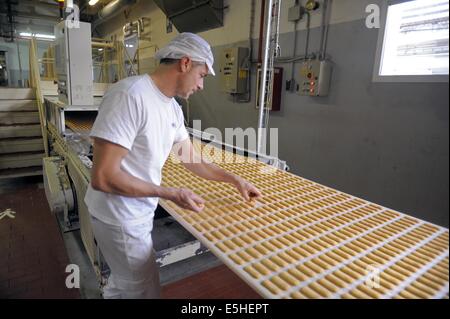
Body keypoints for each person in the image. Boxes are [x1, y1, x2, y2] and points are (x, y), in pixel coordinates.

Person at [84, 32, 262, 299]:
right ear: (186, 63)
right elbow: (103, 177)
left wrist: (235, 180)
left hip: (136, 211)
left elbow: (191, 159)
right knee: (143, 290)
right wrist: (170, 192)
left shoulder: (172, 109)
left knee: (128, 284)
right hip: (119, 215)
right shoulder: (130, 95)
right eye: (202, 75)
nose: (202, 86)